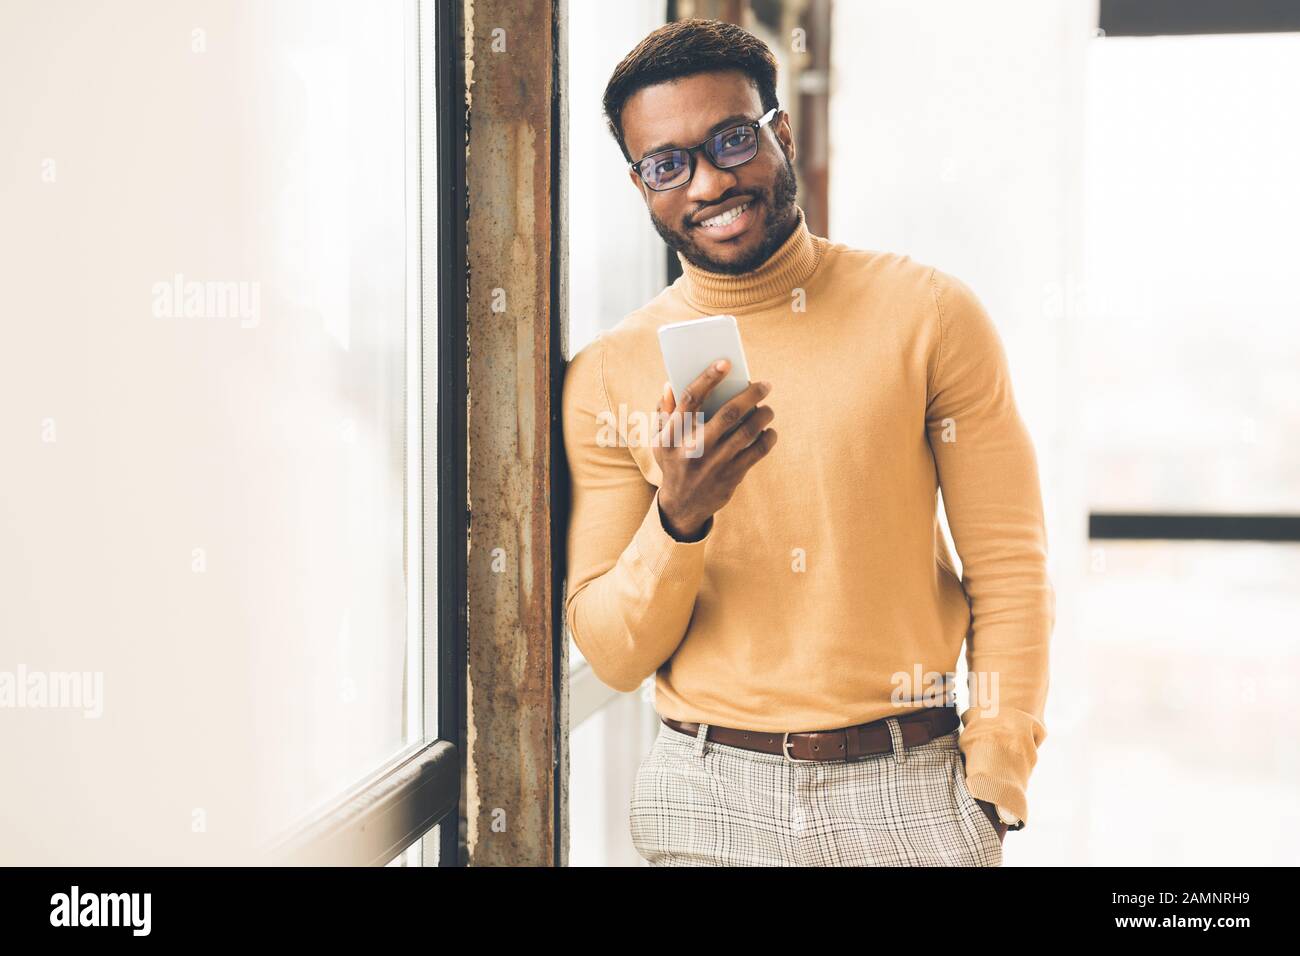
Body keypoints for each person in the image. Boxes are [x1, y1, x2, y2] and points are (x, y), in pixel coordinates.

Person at [561, 18, 1054, 866]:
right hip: (705, 792)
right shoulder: (609, 373)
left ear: (779, 133)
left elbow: (1009, 563)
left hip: (911, 787)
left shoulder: (929, 313)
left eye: (732, 138)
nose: (709, 181)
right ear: (642, 184)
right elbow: (611, 652)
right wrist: (678, 521)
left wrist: (995, 777)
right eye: (668, 164)